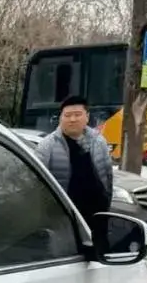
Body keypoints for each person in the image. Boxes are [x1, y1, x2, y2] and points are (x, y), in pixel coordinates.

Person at [36, 95, 115, 242]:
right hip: (64, 218)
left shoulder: (99, 142)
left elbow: (108, 177)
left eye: (77, 114)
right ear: (60, 118)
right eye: (67, 115)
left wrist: (106, 204)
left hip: (97, 216)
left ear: (87, 117)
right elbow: (37, 183)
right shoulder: (48, 146)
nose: (72, 119)